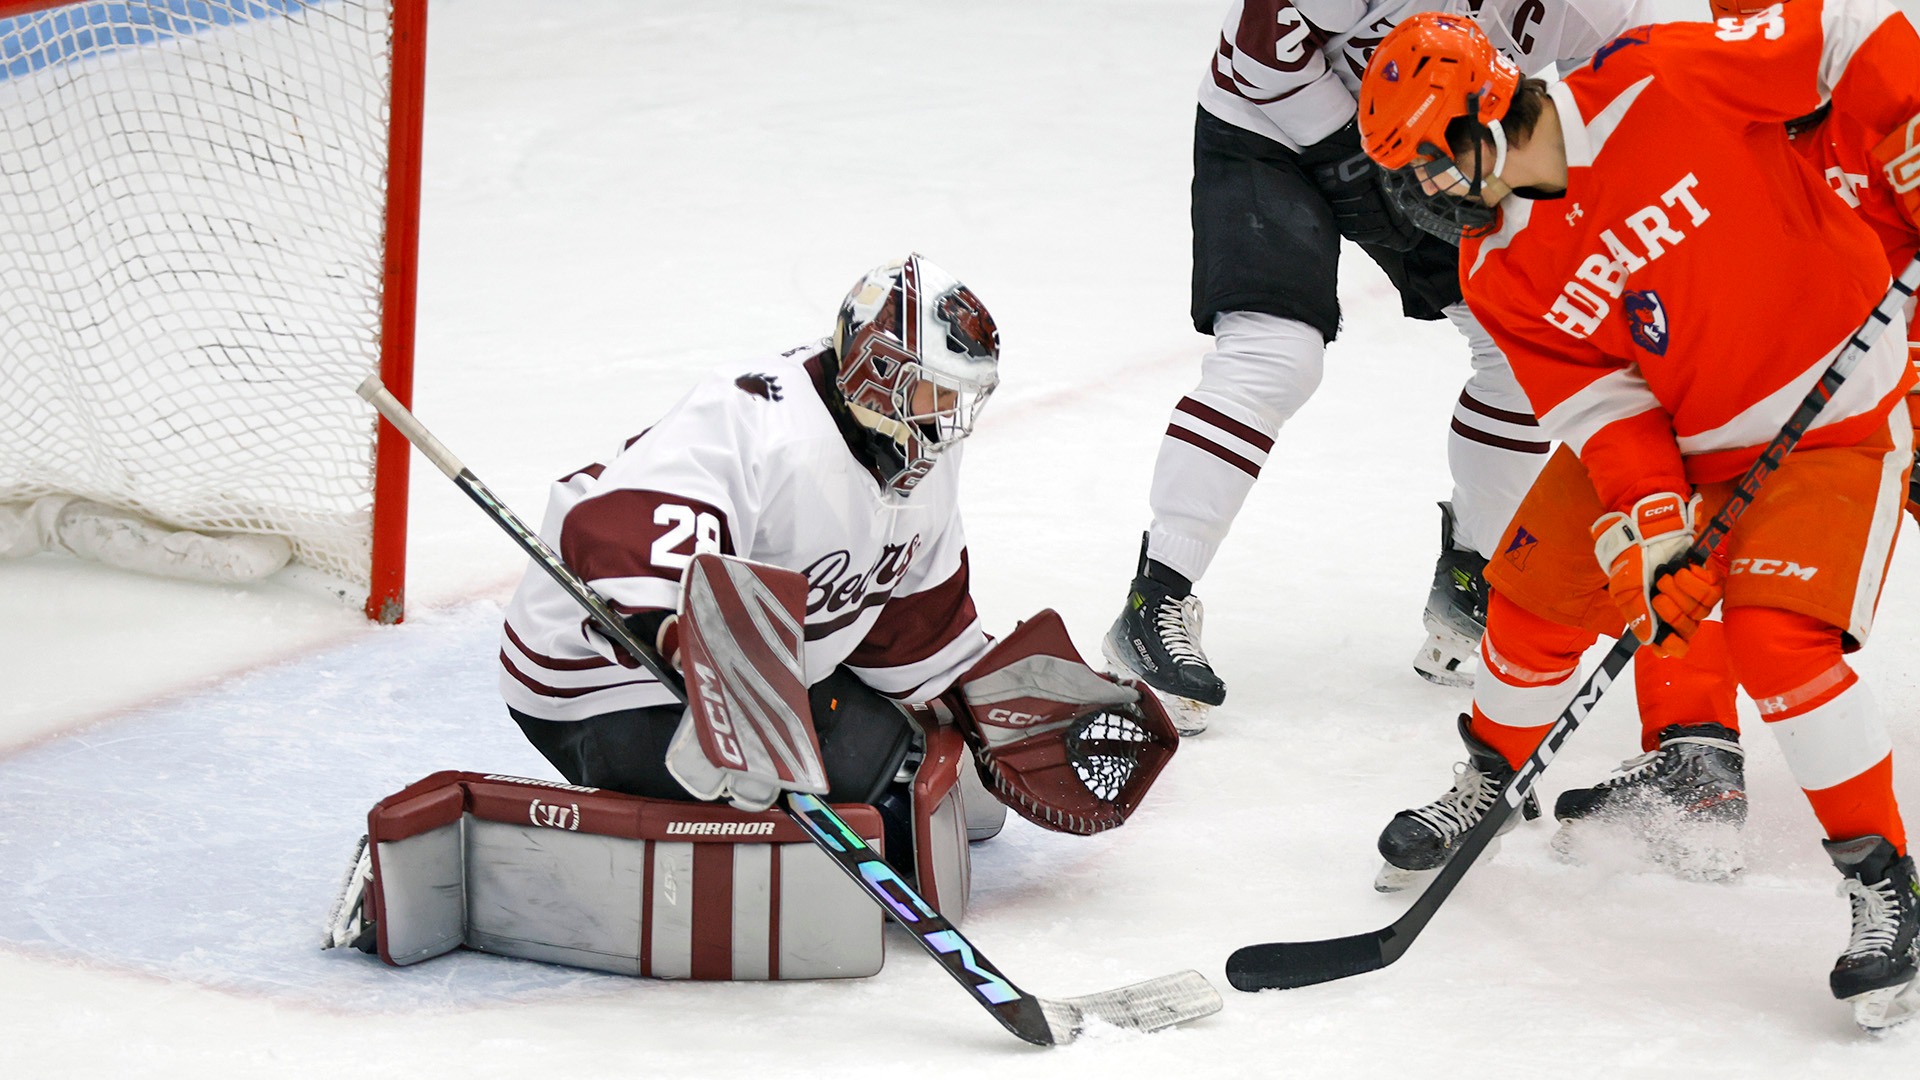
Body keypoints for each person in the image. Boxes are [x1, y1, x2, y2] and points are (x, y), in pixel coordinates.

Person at [1356, 0, 1920, 1028]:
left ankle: (1884, 886)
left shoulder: (1658, 81)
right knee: (1530, 598)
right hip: (1677, 430)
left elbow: (1845, 34)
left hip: (1833, 411)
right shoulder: (1497, 270)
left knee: (1777, 646)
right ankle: (1491, 776)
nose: (1424, 194)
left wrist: (1910, 124)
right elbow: (1607, 410)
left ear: (1484, 110)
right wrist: (1656, 535)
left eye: (1430, 162)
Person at [496, 253, 1177, 870]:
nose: (952, 424)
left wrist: (1002, 709)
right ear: (878, 373)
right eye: (936, 397)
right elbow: (614, 535)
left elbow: (914, 623)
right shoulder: (756, 421)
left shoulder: (920, 454)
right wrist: (698, 662)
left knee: (954, 798)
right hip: (595, 674)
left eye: (964, 401)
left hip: (766, 676)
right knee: (872, 796)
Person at [1103, 0, 1656, 734]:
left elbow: (1613, 114)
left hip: (1435, 142)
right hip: (1271, 130)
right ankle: (1157, 598)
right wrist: (1347, 154)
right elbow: (1262, 51)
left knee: (1525, 356)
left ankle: (1472, 578)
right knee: (1277, 354)